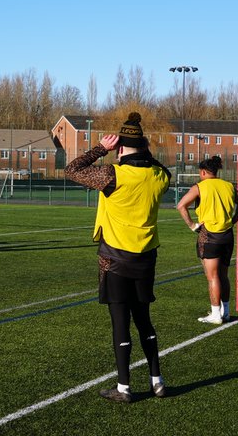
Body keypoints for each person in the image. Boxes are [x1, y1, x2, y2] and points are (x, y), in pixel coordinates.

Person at [65, 112, 171, 404]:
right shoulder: (160, 175)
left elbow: (72, 169)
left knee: (120, 323)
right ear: (145, 147)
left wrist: (101, 148)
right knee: (145, 321)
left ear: (120, 148)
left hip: (115, 259)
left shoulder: (113, 174)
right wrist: (137, 146)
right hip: (146, 258)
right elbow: (159, 166)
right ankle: (157, 381)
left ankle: (124, 388)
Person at [176, 156, 238, 325]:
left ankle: (216, 314)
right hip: (227, 235)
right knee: (224, 275)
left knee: (212, 277)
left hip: (209, 236)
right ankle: (227, 311)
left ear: (202, 172)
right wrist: (232, 221)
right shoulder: (228, 186)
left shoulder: (199, 187)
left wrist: (192, 225)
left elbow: (181, 206)